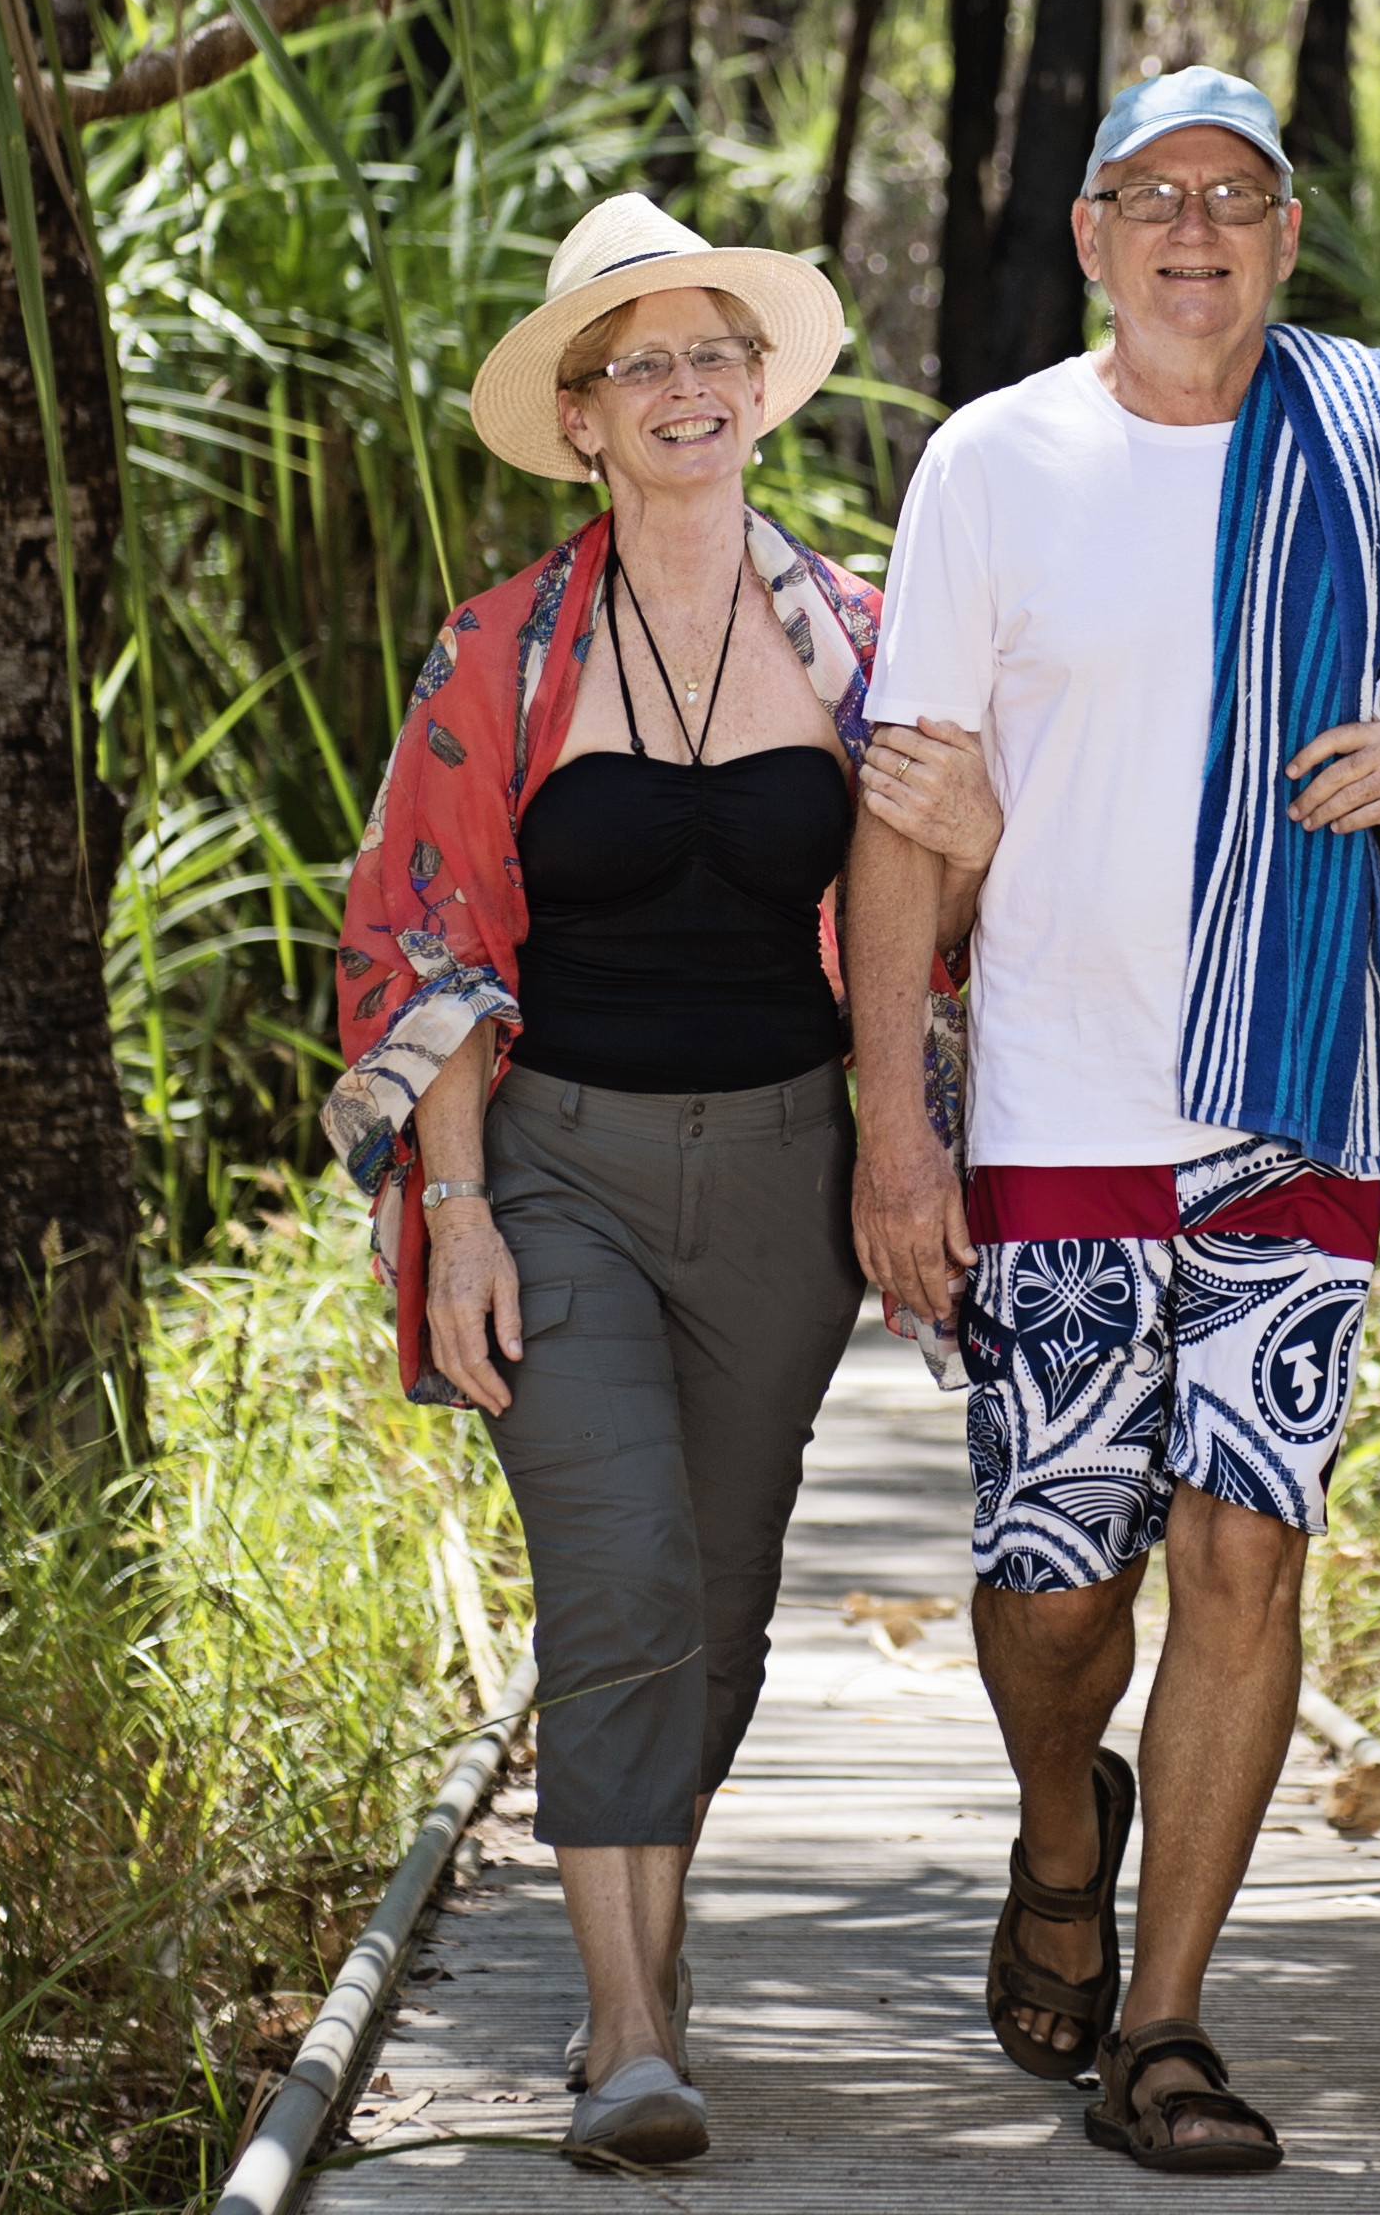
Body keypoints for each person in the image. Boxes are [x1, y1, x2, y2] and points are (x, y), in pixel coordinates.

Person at [845, 66, 1380, 2177]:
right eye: (1153, 196)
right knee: (1054, 1575)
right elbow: (902, 820)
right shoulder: (994, 462)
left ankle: (1162, 2022)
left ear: (1280, 236)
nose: (1194, 232)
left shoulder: (1361, 432)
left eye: (1234, 200)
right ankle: (1058, 1833)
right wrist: (898, 1133)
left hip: (1295, 1098)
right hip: (1061, 1102)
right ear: (1089, 236)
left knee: (1244, 1545)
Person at [324, 194, 997, 2171]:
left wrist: (970, 840)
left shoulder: (868, 645)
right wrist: (454, 1212)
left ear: (761, 393)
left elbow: (954, 920)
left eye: (718, 350)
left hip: (787, 1177)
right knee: (613, 1573)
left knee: (712, 1603)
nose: (690, 385)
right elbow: (419, 946)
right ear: (586, 418)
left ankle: (652, 1934)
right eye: (646, 361)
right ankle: (625, 2026)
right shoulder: (501, 655)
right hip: (561, 1173)